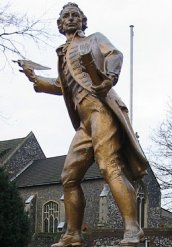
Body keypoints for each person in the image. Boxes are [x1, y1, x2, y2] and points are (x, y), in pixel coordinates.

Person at [21, 2, 148, 247]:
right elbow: (62, 85)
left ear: (82, 21)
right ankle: (73, 234)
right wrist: (34, 78)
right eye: (66, 16)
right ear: (60, 24)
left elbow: (114, 54)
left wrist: (110, 78)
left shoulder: (93, 40)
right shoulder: (63, 53)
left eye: (75, 15)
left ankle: (133, 229)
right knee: (69, 176)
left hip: (101, 109)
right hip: (85, 122)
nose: (70, 19)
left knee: (109, 166)